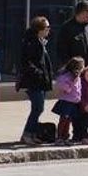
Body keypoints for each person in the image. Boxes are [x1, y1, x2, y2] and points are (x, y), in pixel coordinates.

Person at [17, 16, 53, 145]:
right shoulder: (31, 42)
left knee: (38, 108)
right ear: (39, 29)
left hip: (41, 81)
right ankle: (27, 134)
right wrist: (38, 73)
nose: (49, 29)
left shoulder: (40, 41)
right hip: (33, 82)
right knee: (38, 107)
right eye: (47, 27)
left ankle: (32, 134)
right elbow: (27, 62)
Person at [52, 57, 86, 146]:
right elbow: (65, 88)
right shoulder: (65, 76)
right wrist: (72, 83)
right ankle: (59, 137)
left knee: (69, 120)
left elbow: (79, 89)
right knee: (64, 119)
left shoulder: (78, 77)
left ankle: (65, 137)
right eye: (82, 66)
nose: (83, 68)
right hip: (66, 102)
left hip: (74, 102)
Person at [57, 0, 88, 68]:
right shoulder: (67, 28)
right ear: (82, 12)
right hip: (76, 71)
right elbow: (62, 51)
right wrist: (71, 69)